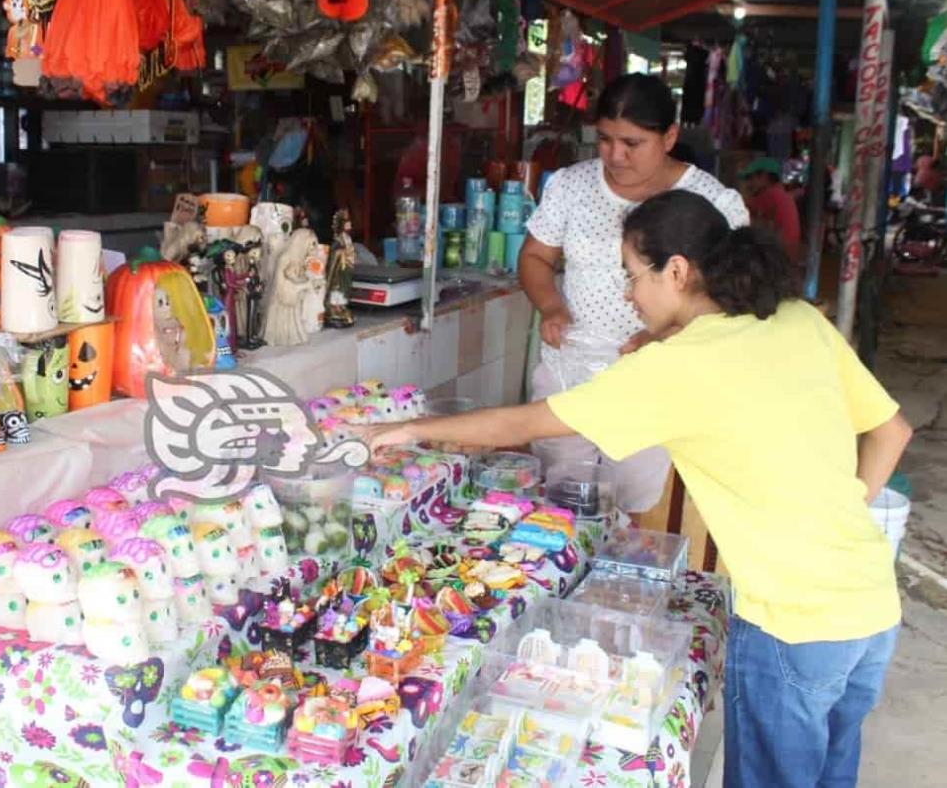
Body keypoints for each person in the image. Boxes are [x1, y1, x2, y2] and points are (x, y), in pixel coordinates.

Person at [367, 189, 910, 788]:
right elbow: (892, 431)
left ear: (677, 270)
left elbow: (529, 422)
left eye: (634, 276)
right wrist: (834, 514)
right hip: (869, 605)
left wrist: (411, 427)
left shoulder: (677, 369)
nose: (628, 295)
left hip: (792, 623)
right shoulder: (798, 319)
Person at [518, 73, 749, 513]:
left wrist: (659, 338)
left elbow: (730, 296)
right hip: (570, 366)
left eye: (632, 143)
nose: (614, 155)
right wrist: (551, 305)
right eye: (604, 139)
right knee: (563, 502)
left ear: (670, 137)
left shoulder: (712, 202)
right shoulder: (571, 185)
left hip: (656, 375)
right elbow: (535, 258)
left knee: (628, 505)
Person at [741, 156, 802, 263]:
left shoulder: (770, 195)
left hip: (778, 256)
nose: (748, 183)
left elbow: (740, 209)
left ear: (764, 176)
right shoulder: (780, 193)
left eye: (750, 178)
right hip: (785, 253)